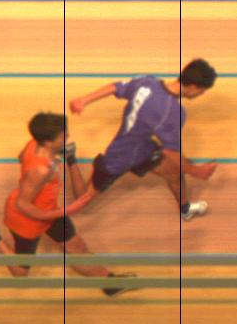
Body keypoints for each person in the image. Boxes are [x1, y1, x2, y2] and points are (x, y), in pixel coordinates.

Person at [0, 112, 136, 297]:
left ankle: (110, 284)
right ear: (47, 142)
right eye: (63, 135)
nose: (68, 136)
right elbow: (23, 205)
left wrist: (67, 159)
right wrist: (67, 210)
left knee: (77, 247)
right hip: (26, 220)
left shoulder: (33, 144)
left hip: (48, 211)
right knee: (20, 272)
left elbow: (21, 157)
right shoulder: (41, 170)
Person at [69, 59, 218, 221]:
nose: (201, 94)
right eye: (202, 91)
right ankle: (70, 157)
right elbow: (170, 153)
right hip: (120, 155)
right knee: (82, 199)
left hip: (143, 148)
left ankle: (185, 209)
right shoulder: (174, 112)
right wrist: (196, 171)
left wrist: (84, 100)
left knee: (175, 173)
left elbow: (115, 87)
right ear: (194, 87)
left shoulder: (147, 82)